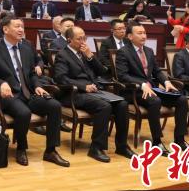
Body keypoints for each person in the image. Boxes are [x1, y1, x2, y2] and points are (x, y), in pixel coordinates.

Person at [0, 15, 70, 167]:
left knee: (55, 106)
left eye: (22, 27)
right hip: (9, 95)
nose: (21, 30)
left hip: (28, 92)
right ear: (5, 29)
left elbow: (31, 73)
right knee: (24, 112)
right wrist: (1, 83)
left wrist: (37, 85)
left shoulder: (26, 48)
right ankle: (21, 148)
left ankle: (50, 151)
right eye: (17, 26)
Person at [54, 26, 135, 163]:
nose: (83, 42)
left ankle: (122, 146)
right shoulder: (62, 55)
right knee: (104, 106)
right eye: (79, 39)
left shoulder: (84, 53)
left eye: (84, 38)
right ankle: (96, 147)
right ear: (69, 40)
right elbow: (60, 78)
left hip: (93, 91)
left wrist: (90, 56)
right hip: (73, 93)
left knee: (122, 104)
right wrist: (83, 86)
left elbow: (102, 72)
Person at [116, 22, 189, 155]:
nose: (144, 36)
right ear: (130, 36)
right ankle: (157, 142)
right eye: (140, 33)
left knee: (182, 100)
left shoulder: (149, 51)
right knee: (155, 101)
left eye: (144, 33)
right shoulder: (123, 52)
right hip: (133, 91)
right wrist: (142, 84)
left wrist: (166, 82)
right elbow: (123, 76)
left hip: (151, 90)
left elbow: (157, 71)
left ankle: (180, 139)